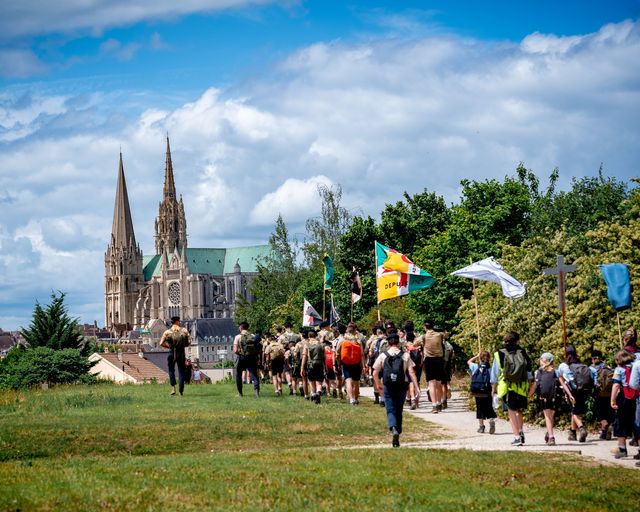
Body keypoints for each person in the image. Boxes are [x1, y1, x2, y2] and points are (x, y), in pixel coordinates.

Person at [373, 333, 420, 447]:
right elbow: (411, 372)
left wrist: (379, 385)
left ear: (388, 343)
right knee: (399, 409)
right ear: (398, 342)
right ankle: (398, 430)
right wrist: (417, 388)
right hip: (401, 386)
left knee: (390, 409)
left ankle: (393, 428)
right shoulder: (405, 355)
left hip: (388, 386)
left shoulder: (383, 355)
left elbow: (375, 372)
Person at [491, 331, 532, 446]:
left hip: (507, 387)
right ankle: (520, 430)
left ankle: (517, 437)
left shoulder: (499, 353)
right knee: (519, 410)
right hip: (521, 386)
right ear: (517, 340)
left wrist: (493, 389)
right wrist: (528, 385)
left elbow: (495, 374)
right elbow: (529, 371)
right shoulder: (522, 352)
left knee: (511, 411)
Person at [558, 345, 594, 443]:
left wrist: (568, 393)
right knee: (576, 411)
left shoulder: (563, 366)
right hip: (583, 390)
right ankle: (573, 433)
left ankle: (582, 429)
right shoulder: (580, 365)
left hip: (572, 391)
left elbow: (560, 379)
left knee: (574, 411)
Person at [528, 352, 563, 446]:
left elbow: (535, 385)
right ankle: (549, 433)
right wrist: (569, 394)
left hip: (543, 397)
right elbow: (563, 384)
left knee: (548, 417)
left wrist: (529, 395)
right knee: (550, 416)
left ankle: (551, 437)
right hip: (555, 397)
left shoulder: (538, 372)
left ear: (543, 360)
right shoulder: (556, 371)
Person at [610, 349, 638, 459]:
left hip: (624, 397)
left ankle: (622, 449)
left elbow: (616, 385)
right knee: (635, 422)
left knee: (620, 422)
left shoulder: (619, 369)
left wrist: (612, 400)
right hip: (635, 396)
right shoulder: (635, 366)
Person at [160, 316, 191, 396]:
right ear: (177, 321)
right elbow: (189, 342)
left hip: (171, 352)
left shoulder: (167, 332)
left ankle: (173, 387)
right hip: (181, 353)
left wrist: (169, 346)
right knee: (181, 371)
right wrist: (184, 345)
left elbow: (161, 343)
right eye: (179, 321)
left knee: (171, 370)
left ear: (172, 322)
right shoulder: (184, 330)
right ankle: (181, 390)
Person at [336, 322, 365, 405]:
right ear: (355, 330)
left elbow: (337, 353)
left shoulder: (342, 339)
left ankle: (351, 399)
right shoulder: (358, 341)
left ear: (347, 329)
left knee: (348, 381)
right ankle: (356, 399)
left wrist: (338, 363)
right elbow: (362, 354)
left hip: (346, 363)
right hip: (356, 363)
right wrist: (363, 366)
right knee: (356, 382)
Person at [468, 351, 497, 435]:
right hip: (487, 392)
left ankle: (481, 426)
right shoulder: (490, 369)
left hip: (477, 392)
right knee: (489, 407)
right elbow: (493, 381)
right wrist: (493, 391)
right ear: (489, 358)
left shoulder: (475, 366)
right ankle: (491, 421)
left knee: (479, 408)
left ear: (480, 358)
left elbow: (468, 362)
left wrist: (476, 356)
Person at [420, 320, 445, 413]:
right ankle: (439, 403)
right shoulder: (439, 335)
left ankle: (434, 405)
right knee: (439, 383)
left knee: (431, 383)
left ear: (425, 327)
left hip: (429, 360)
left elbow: (415, 344)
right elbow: (446, 335)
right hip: (439, 359)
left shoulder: (423, 337)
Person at [590, 349, 615, 440]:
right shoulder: (608, 367)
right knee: (608, 411)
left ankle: (605, 425)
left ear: (593, 358)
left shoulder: (592, 368)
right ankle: (606, 431)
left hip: (599, 393)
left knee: (600, 412)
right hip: (609, 393)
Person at [232, 322, 260, 397]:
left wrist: (240, 354)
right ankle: (256, 391)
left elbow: (235, 350)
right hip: (252, 357)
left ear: (241, 327)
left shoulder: (238, 337)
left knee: (239, 374)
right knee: (254, 374)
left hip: (242, 357)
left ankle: (240, 393)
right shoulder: (253, 336)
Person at [302, 330, 326, 404]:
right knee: (319, 382)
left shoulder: (307, 344)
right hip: (320, 364)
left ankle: (314, 394)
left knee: (312, 381)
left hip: (311, 364)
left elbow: (304, 356)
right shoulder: (321, 344)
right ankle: (318, 392)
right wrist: (325, 367)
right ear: (316, 336)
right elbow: (324, 357)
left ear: (309, 336)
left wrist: (302, 367)